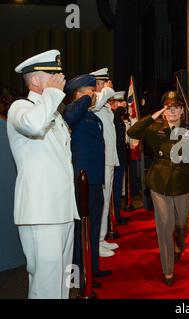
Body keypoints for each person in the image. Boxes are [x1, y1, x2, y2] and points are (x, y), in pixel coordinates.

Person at [7, 50, 79, 298]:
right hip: (41, 212)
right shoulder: (21, 107)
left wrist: (52, 97)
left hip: (62, 210)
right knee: (46, 286)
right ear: (36, 81)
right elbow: (33, 125)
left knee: (61, 283)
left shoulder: (54, 113)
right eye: (54, 74)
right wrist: (51, 95)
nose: (61, 78)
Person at [127, 91, 189, 286]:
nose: (173, 111)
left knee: (181, 224)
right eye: (169, 108)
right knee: (165, 225)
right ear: (164, 112)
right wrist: (153, 115)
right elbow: (132, 132)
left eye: (176, 108)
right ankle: (168, 270)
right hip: (159, 183)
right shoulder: (154, 128)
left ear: (182, 110)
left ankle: (179, 244)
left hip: (183, 183)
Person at [63, 74, 113, 281]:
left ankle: (92, 269)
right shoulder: (73, 111)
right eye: (90, 91)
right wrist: (85, 98)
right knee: (79, 229)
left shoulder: (91, 114)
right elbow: (70, 116)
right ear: (78, 94)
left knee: (91, 227)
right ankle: (77, 276)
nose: (94, 95)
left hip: (94, 179)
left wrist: (89, 98)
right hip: (82, 180)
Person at [89, 68, 119, 257]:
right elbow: (98, 102)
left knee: (106, 200)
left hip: (109, 159)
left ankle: (100, 238)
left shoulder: (104, 105)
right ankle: (96, 242)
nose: (108, 86)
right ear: (98, 84)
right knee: (100, 201)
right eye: (105, 83)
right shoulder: (93, 101)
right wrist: (107, 90)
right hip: (102, 160)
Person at [109, 91, 130, 225]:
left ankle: (116, 215)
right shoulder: (109, 115)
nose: (119, 104)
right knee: (113, 189)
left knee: (117, 189)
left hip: (120, 157)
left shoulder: (119, 116)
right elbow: (114, 119)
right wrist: (121, 108)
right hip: (113, 158)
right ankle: (113, 217)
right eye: (116, 102)